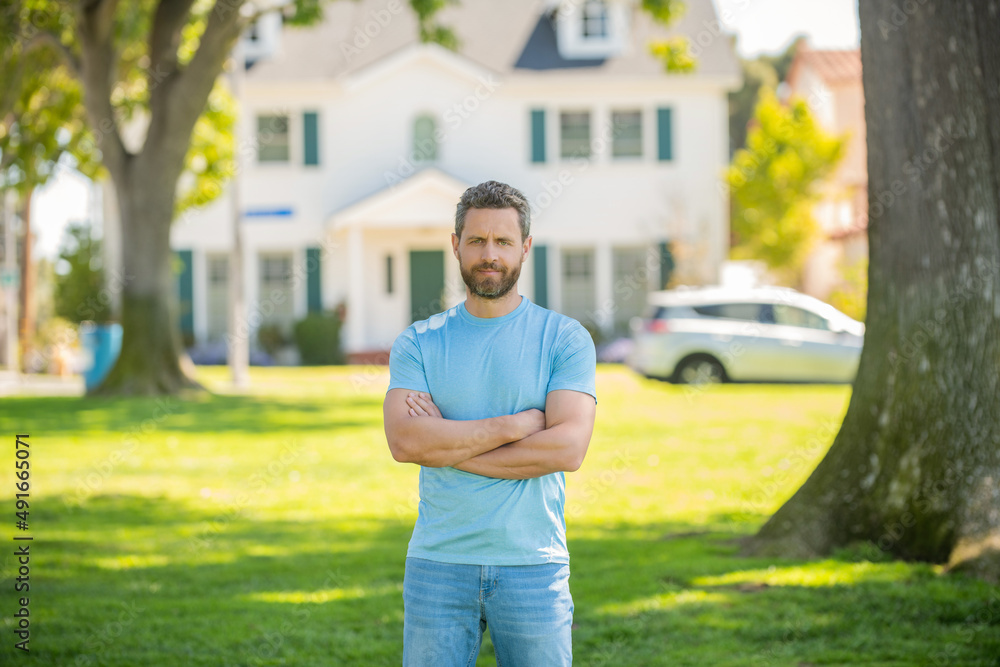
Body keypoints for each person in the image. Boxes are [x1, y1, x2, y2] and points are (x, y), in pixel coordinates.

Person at [383, 180, 597, 666]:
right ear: (455, 245)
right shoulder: (419, 342)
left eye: (502, 241)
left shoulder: (563, 338)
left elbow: (566, 450)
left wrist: (449, 445)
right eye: (477, 240)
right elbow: (405, 441)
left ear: (524, 247)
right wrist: (515, 426)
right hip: (438, 563)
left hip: (533, 565)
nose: (489, 254)